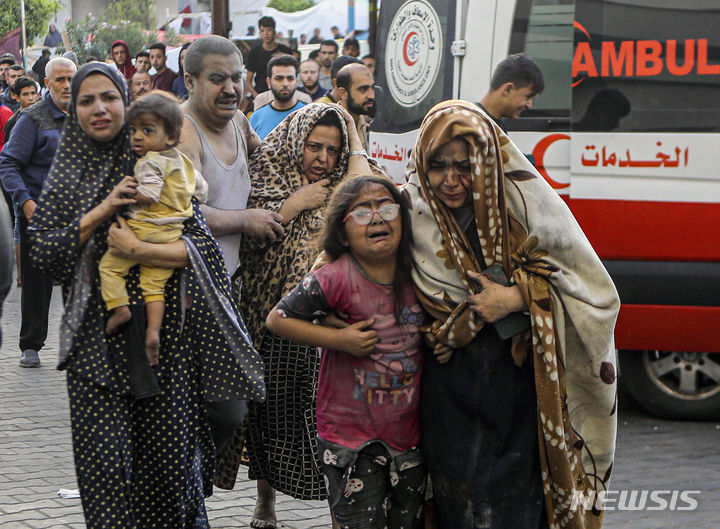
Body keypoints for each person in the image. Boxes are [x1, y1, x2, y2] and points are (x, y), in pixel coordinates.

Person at [27, 62, 265, 528]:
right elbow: (43, 254)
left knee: (171, 475)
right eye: (86, 100)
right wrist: (103, 211)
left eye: (109, 97)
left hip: (165, 348)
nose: (99, 108)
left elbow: (203, 250)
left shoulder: (158, 160)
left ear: (125, 103)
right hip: (96, 350)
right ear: (72, 111)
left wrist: (139, 248)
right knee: (108, 475)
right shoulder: (67, 173)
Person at [404, 100, 619, 529]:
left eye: (464, 166)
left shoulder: (528, 207)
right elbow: (358, 275)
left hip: (520, 385)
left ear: (489, 159)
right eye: (438, 166)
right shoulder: (407, 213)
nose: (451, 181)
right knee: (456, 501)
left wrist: (516, 298)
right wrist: (442, 331)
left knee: (515, 504)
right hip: (448, 388)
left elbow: (595, 292)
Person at [222, 104, 373, 529]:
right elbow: (244, 243)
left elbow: (372, 187)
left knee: (328, 424)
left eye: (333, 148)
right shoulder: (267, 170)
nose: (322, 158)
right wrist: (294, 204)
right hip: (272, 320)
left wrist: (355, 139)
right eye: (314, 147)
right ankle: (265, 503)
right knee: (268, 417)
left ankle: (338, 510)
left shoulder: (346, 182)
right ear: (295, 142)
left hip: (330, 326)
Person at [266, 174, 427, 529]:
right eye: (362, 212)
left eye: (387, 208)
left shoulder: (420, 275)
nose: (377, 218)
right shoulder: (335, 277)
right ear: (342, 232)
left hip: (407, 438)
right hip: (349, 439)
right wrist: (340, 341)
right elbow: (277, 320)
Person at [99, 91, 208, 364]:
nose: (137, 137)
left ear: (170, 136)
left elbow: (150, 194)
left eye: (147, 130)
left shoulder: (149, 162)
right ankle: (153, 332)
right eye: (134, 129)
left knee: (109, 268)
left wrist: (124, 194)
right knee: (154, 288)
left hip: (144, 227)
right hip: (171, 234)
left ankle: (119, 307)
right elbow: (202, 192)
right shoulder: (183, 162)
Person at [177, 35, 284, 280]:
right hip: (192, 286)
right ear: (190, 82)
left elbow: (270, 156)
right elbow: (183, 211)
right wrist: (245, 220)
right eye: (217, 79)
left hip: (231, 275)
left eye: (236, 78)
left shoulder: (238, 120)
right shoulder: (180, 131)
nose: (230, 89)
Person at [0, 57, 76, 368]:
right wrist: (27, 202)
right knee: (36, 283)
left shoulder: (85, 115)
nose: (67, 85)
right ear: (47, 83)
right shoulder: (32, 118)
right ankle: (31, 345)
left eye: (71, 78)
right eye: (59, 80)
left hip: (77, 217)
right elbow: (8, 163)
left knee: (79, 282)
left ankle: (77, 344)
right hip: (40, 216)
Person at [476, 52, 544, 132]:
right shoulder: (469, 126)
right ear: (507, 89)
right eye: (528, 97)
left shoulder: (497, 126)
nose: (529, 106)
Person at [320, 62, 375, 151]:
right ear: (343, 93)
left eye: (372, 87)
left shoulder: (361, 120)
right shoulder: (331, 125)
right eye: (363, 89)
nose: (371, 96)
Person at [249, 54, 305, 139]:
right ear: (269, 82)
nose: (285, 84)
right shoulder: (256, 117)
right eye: (279, 78)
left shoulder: (308, 113)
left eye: (290, 78)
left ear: (296, 82)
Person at [245, 16, 293, 99]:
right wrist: (256, 96)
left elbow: (293, 74)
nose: (266, 34)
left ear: (274, 32)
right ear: (260, 33)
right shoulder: (254, 53)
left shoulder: (285, 51)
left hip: (282, 94)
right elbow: (248, 81)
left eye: (269, 30)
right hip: (260, 93)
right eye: (263, 31)